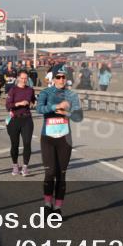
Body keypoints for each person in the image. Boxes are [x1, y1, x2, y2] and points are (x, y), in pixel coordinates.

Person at [35, 70, 84, 216]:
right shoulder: (46, 92)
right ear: (53, 78)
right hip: (48, 137)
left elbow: (79, 117)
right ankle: (47, 205)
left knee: (61, 174)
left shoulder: (72, 95)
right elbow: (38, 109)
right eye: (58, 77)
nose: (61, 79)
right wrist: (55, 107)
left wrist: (66, 113)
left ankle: (57, 208)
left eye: (64, 77)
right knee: (50, 173)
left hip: (64, 139)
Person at [5, 70, 36, 176]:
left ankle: (25, 167)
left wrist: (32, 104)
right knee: (15, 144)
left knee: (27, 143)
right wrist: (18, 104)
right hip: (15, 120)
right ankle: (15, 166)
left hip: (27, 119)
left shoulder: (30, 90)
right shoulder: (13, 90)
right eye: (22, 78)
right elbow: (8, 105)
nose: (24, 80)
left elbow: (33, 101)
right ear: (18, 78)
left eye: (25, 78)